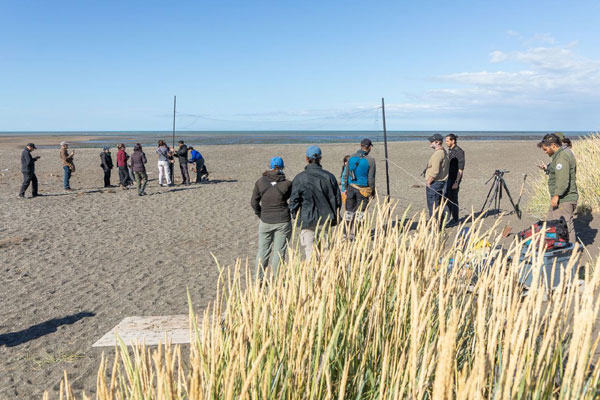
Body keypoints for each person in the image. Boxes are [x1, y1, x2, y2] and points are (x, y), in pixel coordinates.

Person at [289, 145, 342, 259]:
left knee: (310, 252)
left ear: (306, 159)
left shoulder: (300, 178)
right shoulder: (329, 177)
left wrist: (296, 215)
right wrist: (334, 215)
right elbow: (338, 200)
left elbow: (293, 201)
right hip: (325, 218)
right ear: (320, 158)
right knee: (326, 251)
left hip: (307, 219)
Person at [250, 156, 293, 280]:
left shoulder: (260, 181)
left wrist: (260, 214)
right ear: (283, 167)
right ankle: (277, 280)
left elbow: (254, 202)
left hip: (266, 220)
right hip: (282, 220)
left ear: (269, 166)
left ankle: (258, 279)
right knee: (279, 253)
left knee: (263, 251)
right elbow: (292, 199)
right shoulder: (287, 184)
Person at [538, 133, 578, 243]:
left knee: (566, 226)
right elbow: (557, 171)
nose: (545, 152)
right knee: (551, 222)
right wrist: (547, 169)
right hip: (562, 198)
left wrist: (556, 196)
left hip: (565, 198)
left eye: (546, 149)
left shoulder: (562, 157)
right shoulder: (561, 155)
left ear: (553, 146)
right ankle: (556, 246)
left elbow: (563, 180)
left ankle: (572, 249)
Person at [341, 138, 376, 233]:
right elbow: (371, 178)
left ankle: (345, 233)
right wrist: (372, 192)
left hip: (351, 187)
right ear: (369, 147)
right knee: (360, 213)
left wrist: (345, 188)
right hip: (363, 189)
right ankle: (357, 233)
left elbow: (346, 174)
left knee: (349, 212)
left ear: (361, 146)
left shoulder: (351, 158)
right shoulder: (371, 160)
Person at [424, 134, 449, 219]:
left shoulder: (438, 153)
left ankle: (435, 224)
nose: (430, 143)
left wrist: (429, 181)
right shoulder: (443, 152)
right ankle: (438, 223)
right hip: (440, 183)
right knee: (437, 205)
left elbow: (435, 171)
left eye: (432, 141)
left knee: (433, 206)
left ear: (437, 142)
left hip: (435, 183)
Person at [444, 134, 465, 225]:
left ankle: (455, 219)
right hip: (448, 178)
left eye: (447, 141)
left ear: (453, 141)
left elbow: (460, 169)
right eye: (445, 141)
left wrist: (456, 182)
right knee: (447, 198)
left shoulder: (459, 152)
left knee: (453, 199)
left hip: (454, 179)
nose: (446, 142)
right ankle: (448, 217)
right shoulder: (450, 150)